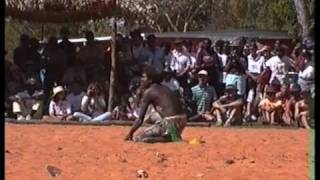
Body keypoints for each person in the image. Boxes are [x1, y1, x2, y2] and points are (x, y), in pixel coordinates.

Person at [124, 66, 187, 143]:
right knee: (159, 122)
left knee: (139, 137)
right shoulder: (163, 88)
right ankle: (170, 136)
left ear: (150, 80)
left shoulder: (149, 92)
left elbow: (140, 119)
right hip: (182, 120)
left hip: (171, 122)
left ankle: (165, 138)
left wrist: (130, 133)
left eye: (144, 77)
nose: (141, 80)